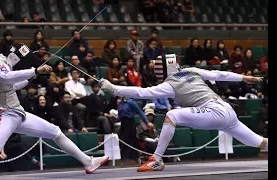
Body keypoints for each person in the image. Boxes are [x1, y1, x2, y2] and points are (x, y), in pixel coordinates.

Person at [100, 53, 268, 172]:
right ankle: (157, 159)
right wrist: (242, 77)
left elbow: (142, 92)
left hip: (214, 112)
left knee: (172, 115)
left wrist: (114, 89)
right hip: (226, 110)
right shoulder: (192, 71)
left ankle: (157, 160)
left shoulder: (169, 84)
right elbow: (217, 74)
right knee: (259, 142)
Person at [0, 44, 108, 174]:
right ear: (13, 55)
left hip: (17, 114)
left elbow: (12, 86)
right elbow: (7, 77)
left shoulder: (3, 65)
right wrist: (34, 70)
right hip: (4, 115)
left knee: (55, 132)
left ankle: (88, 162)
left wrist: (33, 75)